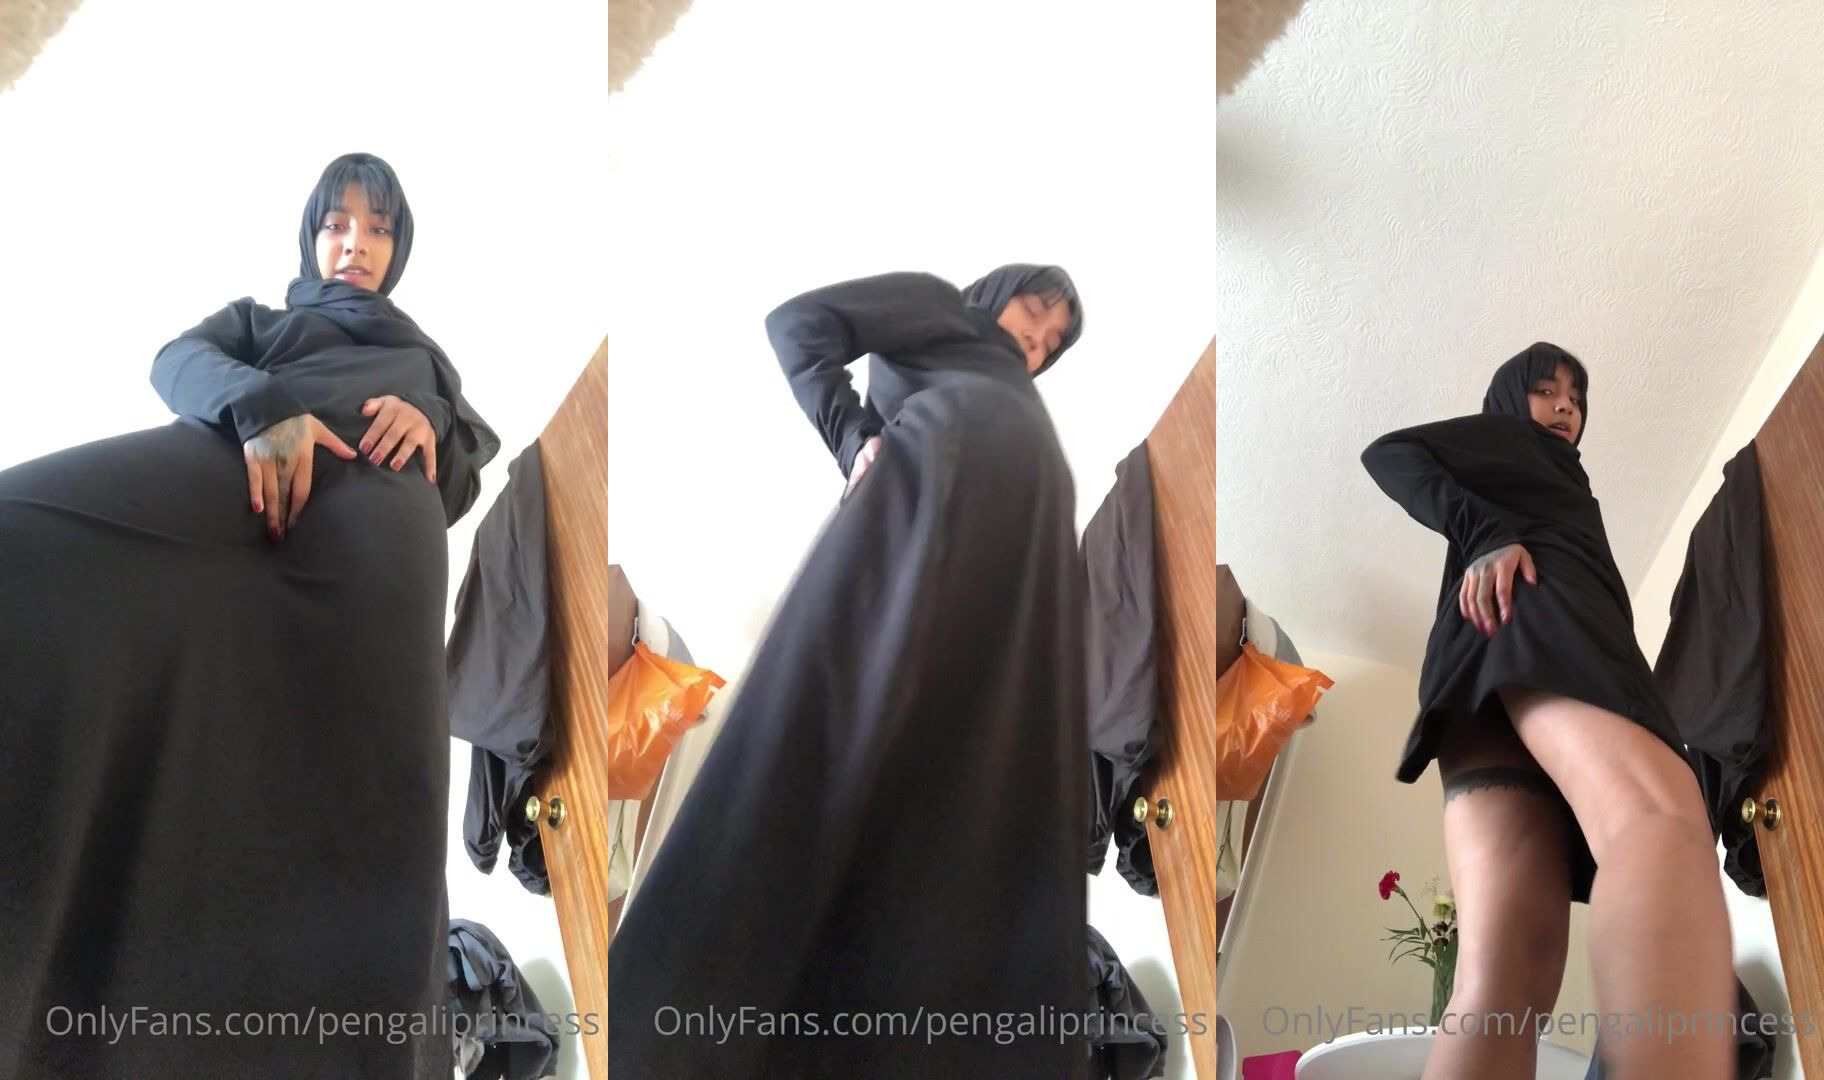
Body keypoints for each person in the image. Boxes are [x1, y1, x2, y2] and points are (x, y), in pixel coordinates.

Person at [0, 152, 498, 1079]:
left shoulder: (427, 361)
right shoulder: (262, 324)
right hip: (248, 479)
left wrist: (433, 423)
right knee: (23, 534)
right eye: (337, 223)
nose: (355, 244)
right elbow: (175, 360)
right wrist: (263, 405)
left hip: (375, 557)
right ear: (311, 235)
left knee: (369, 822)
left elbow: (461, 479)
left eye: (378, 228)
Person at [609, 265, 1089, 1078]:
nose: (1034, 345)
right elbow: (799, 323)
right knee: (835, 751)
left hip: (996, 623)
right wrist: (852, 435)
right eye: (1032, 313)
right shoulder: (941, 311)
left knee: (952, 810)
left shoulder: (1014, 401)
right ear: (991, 293)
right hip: (911, 551)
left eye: (1049, 345)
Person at [1361, 343, 1733, 1079]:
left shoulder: (1540, 468)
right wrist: (1487, 533)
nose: (1566, 405)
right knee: (1657, 823)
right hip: (1544, 620)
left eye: (1576, 397)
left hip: (1482, 667)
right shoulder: (1513, 440)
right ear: (1510, 400)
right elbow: (1390, 454)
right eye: (1545, 390)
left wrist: (1487, 532)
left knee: (1505, 976)